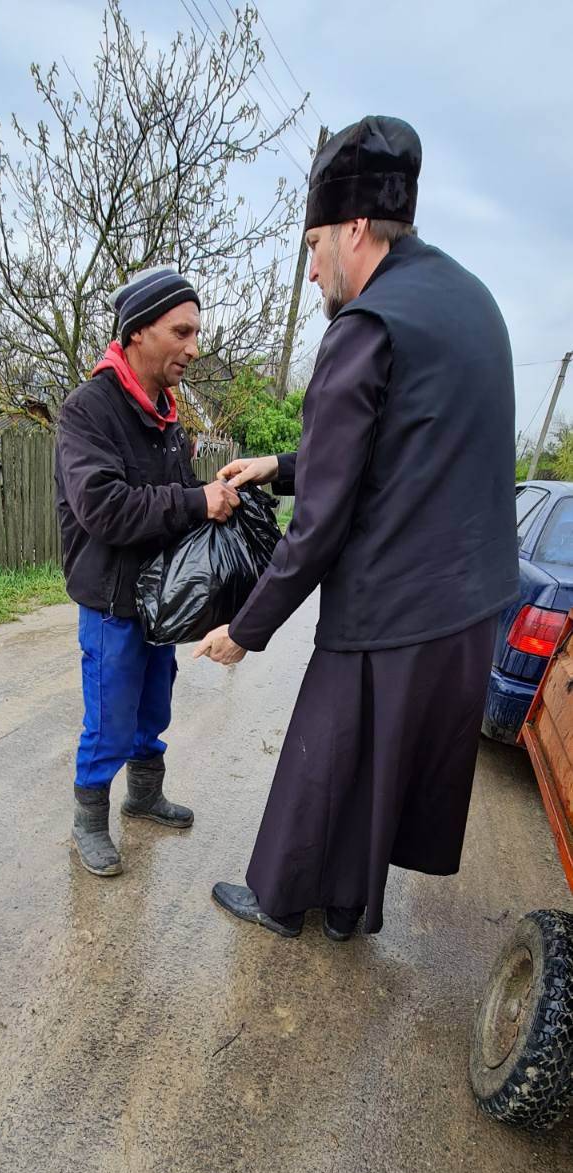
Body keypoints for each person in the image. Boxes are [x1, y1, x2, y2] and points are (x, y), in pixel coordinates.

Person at [193, 116, 519, 940]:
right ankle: (343, 909)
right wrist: (279, 464)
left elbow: (322, 521)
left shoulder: (365, 325)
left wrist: (245, 629)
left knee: (328, 752)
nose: (311, 271)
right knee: (378, 767)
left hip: (391, 600)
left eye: (312, 246)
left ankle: (279, 902)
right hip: (469, 604)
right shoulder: (467, 300)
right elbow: (401, 445)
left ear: (353, 227)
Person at [56, 266, 239, 877]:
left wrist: (213, 492)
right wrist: (193, 501)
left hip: (160, 597)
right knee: (109, 717)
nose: (194, 348)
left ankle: (143, 795)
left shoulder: (164, 412)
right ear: (137, 331)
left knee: (153, 704)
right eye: (181, 332)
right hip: (111, 599)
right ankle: (88, 821)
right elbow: (103, 508)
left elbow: (177, 494)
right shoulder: (89, 410)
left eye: (196, 333)